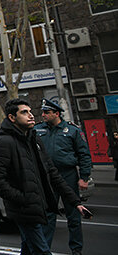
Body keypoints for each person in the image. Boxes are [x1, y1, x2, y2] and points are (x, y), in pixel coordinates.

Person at [0, 99, 90, 255]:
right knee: (42, 250)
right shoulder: (4, 141)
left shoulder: (34, 138)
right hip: (25, 210)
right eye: (24, 112)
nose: (31, 116)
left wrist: (75, 201)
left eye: (30, 111)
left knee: (29, 248)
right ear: (12, 118)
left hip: (39, 203)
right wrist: (23, 198)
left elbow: (52, 173)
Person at [35, 99, 92, 255]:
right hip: (47, 176)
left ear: (57, 113)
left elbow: (84, 155)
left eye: (47, 112)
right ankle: (44, 248)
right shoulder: (38, 129)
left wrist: (84, 177)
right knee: (48, 214)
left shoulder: (72, 130)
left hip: (68, 175)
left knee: (73, 214)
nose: (43, 115)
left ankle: (76, 248)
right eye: (43, 112)